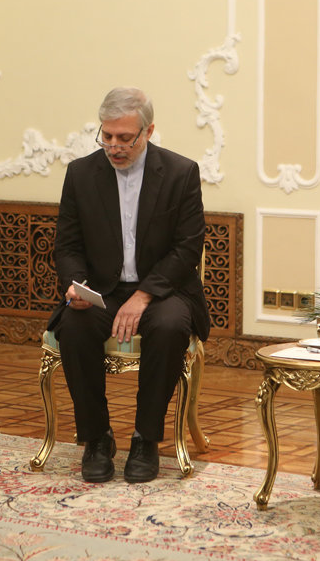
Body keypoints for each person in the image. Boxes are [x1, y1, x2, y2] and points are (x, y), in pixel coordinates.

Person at [48, 86, 210, 484]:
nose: (114, 147)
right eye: (106, 136)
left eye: (125, 138)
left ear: (148, 131)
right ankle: (96, 438)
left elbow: (188, 247)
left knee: (169, 327)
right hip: (102, 289)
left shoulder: (180, 173)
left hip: (164, 288)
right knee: (74, 326)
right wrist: (76, 286)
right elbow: (67, 245)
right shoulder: (81, 174)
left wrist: (143, 295)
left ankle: (145, 439)